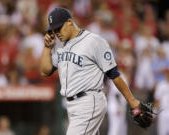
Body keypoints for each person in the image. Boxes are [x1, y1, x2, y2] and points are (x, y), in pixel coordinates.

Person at [40, 7, 142, 135]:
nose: (56, 33)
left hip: (88, 102)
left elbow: (114, 74)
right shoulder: (62, 47)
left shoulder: (93, 41)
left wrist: (132, 101)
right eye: (53, 30)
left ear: (70, 22)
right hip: (72, 106)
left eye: (58, 28)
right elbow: (45, 71)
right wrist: (47, 47)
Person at [154, 66, 169, 135]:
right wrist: (154, 113)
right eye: (166, 73)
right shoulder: (161, 85)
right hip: (163, 113)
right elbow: (157, 100)